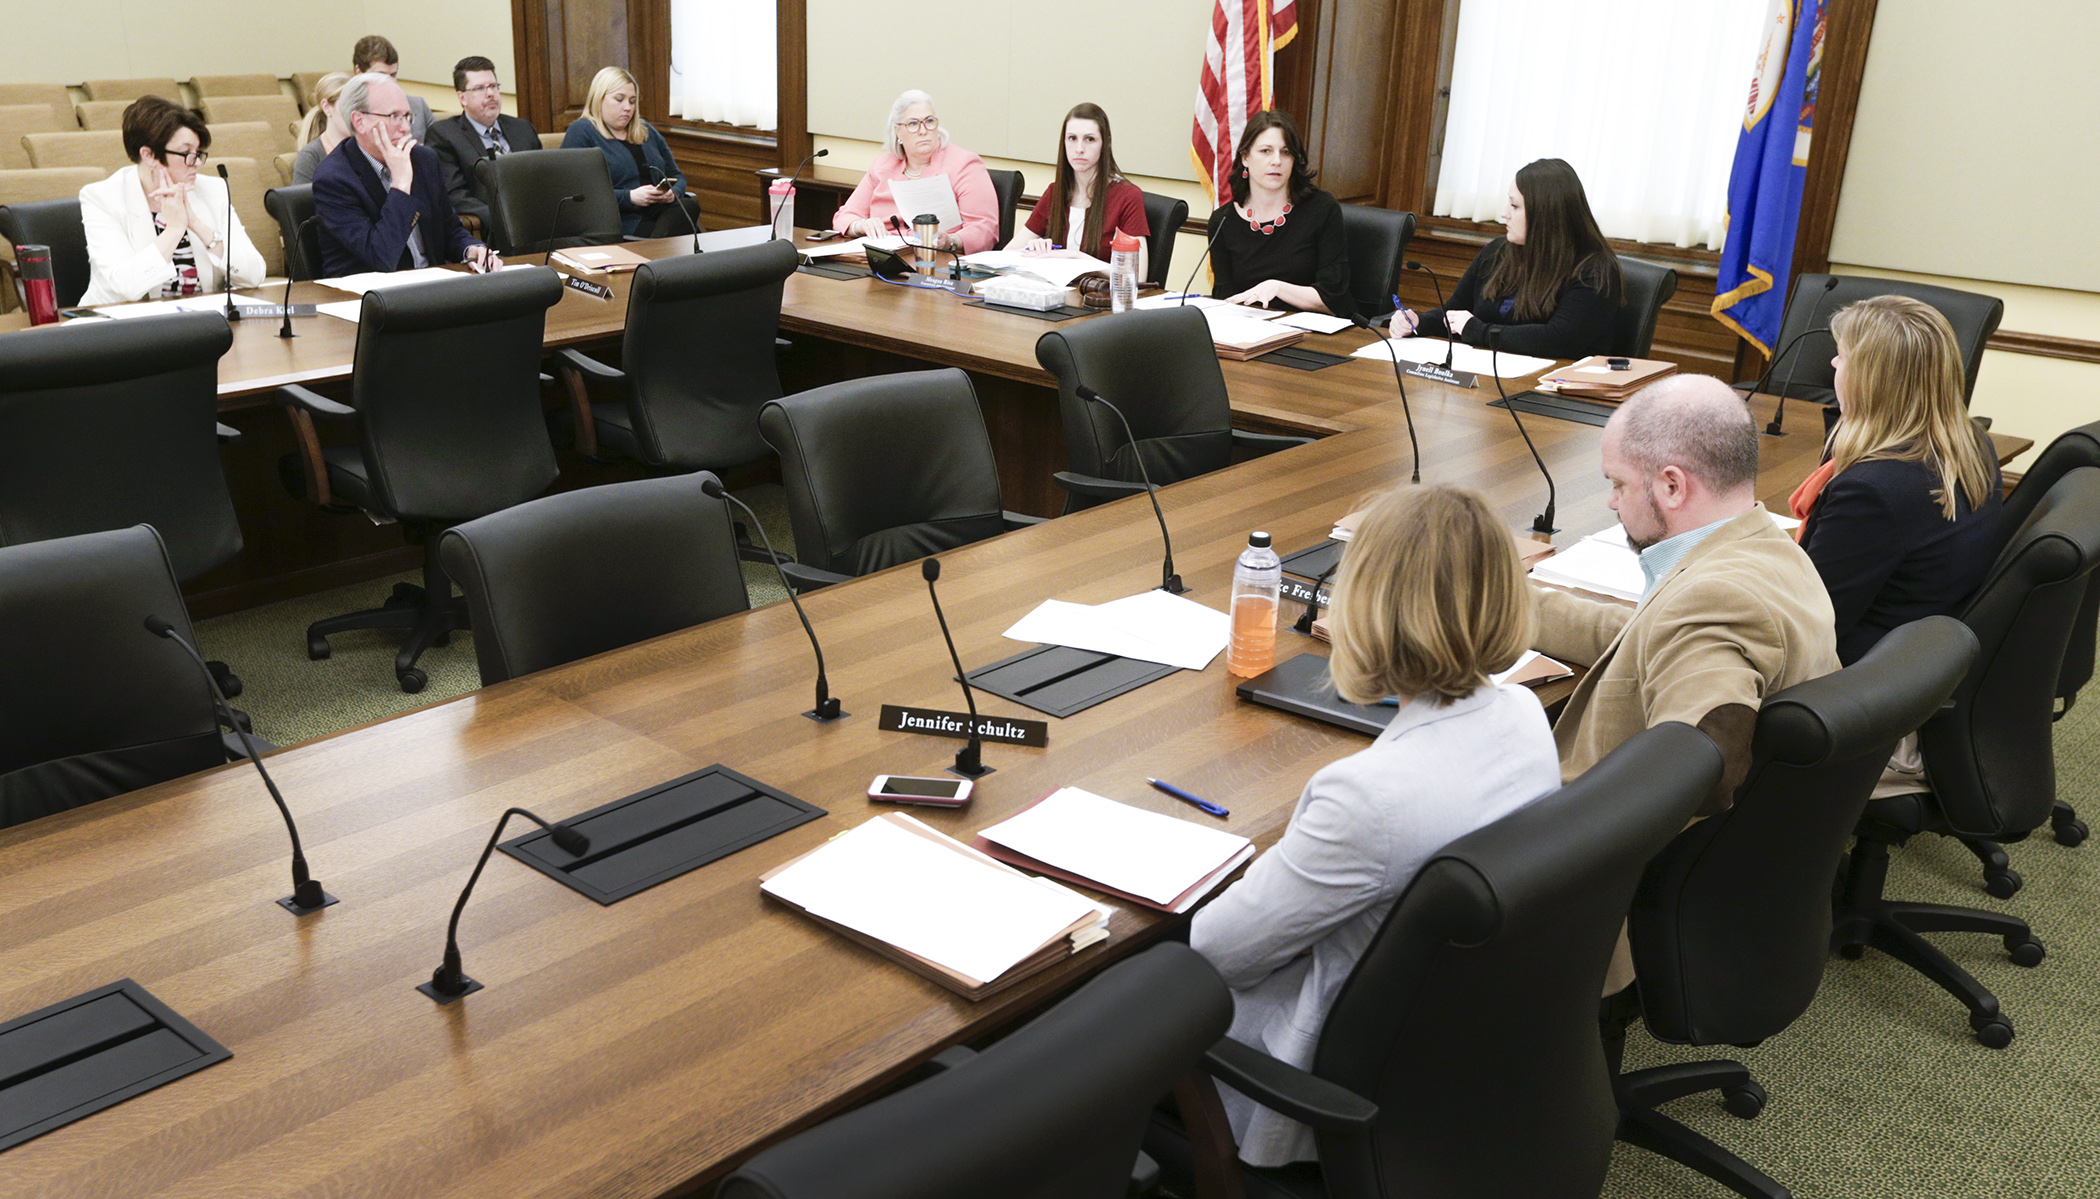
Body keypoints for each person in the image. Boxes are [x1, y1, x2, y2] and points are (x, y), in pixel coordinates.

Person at [1191, 484, 1560, 1168]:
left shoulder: (1367, 798)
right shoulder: (1522, 715)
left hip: (1314, 1070)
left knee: (1095, 994)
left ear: (1369, 606)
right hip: (1446, 1057)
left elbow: (1215, 952)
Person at [1791, 296, 2003, 666]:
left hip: (1858, 669)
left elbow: (1811, 625)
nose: (1833, 362)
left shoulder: (1872, 492)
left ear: (1869, 378)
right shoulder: (1971, 441)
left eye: (1842, 355)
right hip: (1922, 648)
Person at [1405, 157, 1622, 359]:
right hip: (1489, 373)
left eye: (1515, 206)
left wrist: (1477, 331)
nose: (1504, 213)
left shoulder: (1594, 270)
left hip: (1553, 389)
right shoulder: (1497, 252)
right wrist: (1419, 322)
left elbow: (1559, 340)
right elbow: (1455, 313)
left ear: (1545, 214)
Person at [78, 96, 267, 307]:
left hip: (201, 322)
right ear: (149, 155)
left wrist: (197, 225)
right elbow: (127, 286)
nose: (196, 163)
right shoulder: (102, 198)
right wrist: (175, 229)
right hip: (120, 328)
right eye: (186, 153)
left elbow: (255, 274)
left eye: (198, 153)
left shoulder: (213, 190)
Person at [312, 73, 498, 277]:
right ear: (359, 121)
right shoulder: (333, 178)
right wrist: (401, 183)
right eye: (394, 117)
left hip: (430, 285)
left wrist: (471, 249)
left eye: (407, 116)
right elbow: (381, 256)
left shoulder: (423, 159)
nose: (406, 128)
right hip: (369, 296)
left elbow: (449, 228)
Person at [1205, 109, 1352, 316]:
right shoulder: (1223, 221)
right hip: (1249, 334)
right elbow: (1225, 297)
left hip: (1312, 334)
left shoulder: (1322, 209)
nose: (1276, 161)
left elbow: (1334, 297)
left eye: (1286, 152)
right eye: (1266, 151)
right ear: (1245, 158)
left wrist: (1278, 288)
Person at [831, 89, 999, 255]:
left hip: (938, 262)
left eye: (929, 121)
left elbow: (984, 229)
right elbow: (843, 216)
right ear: (897, 131)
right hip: (885, 258)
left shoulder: (964, 164)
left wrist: (950, 241)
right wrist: (860, 226)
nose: (923, 130)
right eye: (913, 123)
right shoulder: (882, 167)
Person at [1007, 102, 1148, 272]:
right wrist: (1032, 251)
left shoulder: (1127, 196)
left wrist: (1076, 257)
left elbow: (1137, 275)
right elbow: (1007, 253)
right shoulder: (1055, 192)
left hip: (1098, 297)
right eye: (1072, 138)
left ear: (1106, 143)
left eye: (1090, 139)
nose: (1079, 149)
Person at [562, 67, 695, 238]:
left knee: (689, 205)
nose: (628, 107)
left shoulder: (646, 130)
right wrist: (630, 197)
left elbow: (678, 176)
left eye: (632, 101)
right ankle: (656, 247)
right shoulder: (582, 131)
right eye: (619, 99)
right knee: (678, 227)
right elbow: (577, 193)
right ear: (599, 98)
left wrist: (672, 193)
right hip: (621, 221)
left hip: (661, 213)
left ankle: (655, 247)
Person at [427, 56, 540, 233]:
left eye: (493, 86)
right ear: (462, 97)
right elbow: (455, 195)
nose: (490, 94)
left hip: (540, 222)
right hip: (492, 229)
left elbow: (542, 178)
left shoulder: (523, 129)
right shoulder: (444, 135)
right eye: (479, 88)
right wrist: (504, 219)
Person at [351, 35, 431, 141]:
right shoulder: (348, 113)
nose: (388, 82)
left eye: (392, 75)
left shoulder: (418, 106)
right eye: (380, 75)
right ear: (359, 72)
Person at [290, 72, 352, 185]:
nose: (354, 114)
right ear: (327, 107)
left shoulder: (367, 148)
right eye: (346, 106)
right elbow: (302, 202)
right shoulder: (310, 157)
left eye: (358, 106)